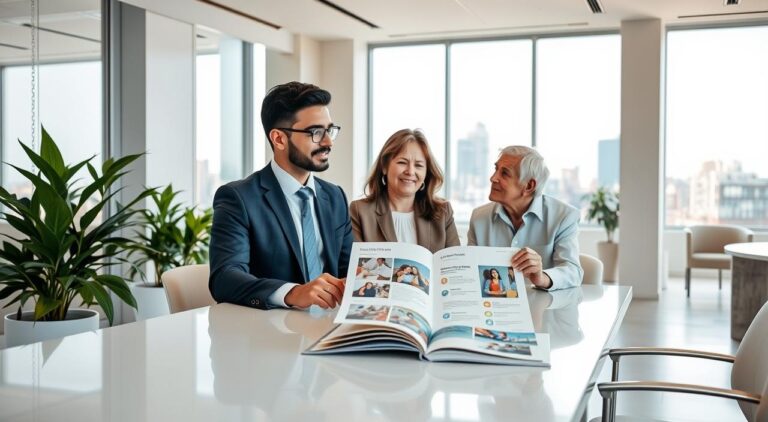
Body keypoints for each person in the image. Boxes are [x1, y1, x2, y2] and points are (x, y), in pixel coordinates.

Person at [209, 81, 353, 310]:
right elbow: (225, 278)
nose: (327, 142)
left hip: (329, 329)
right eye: (316, 132)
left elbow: (348, 272)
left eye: (330, 130)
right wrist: (293, 293)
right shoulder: (238, 198)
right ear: (278, 139)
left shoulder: (335, 197)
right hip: (270, 334)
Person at [468, 146, 582, 290]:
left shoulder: (563, 217)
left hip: (546, 309)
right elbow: (469, 270)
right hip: (493, 307)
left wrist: (542, 277)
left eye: (504, 173)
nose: (493, 178)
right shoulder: (479, 218)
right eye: (496, 169)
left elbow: (573, 271)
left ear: (529, 186)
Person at [350, 129, 459, 253]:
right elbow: (354, 267)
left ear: (426, 173)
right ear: (385, 167)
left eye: (418, 165)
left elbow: (456, 265)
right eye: (402, 162)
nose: (410, 172)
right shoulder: (360, 212)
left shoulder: (442, 212)